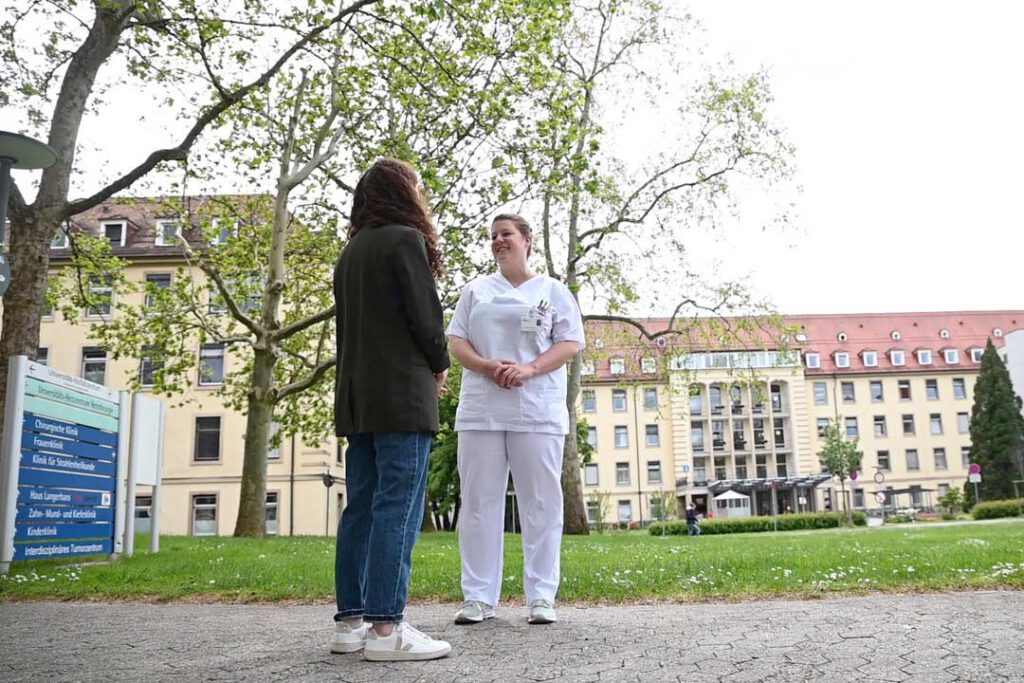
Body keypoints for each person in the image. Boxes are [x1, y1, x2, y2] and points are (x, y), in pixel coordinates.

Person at [330, 158, 452, 662]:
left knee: (360, 507)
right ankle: (387, 630)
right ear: (404, 192)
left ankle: (351, 624)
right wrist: (440, 365)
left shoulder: (349, 252)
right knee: (397, 507)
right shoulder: (406, 240)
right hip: (402, 395)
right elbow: (425, 317)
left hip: (358, 399)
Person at [447, 213, 585, 626]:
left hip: (536, 408)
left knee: (541, 503)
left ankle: (541, 597)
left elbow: (570, 342)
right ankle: (478, 597)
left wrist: (529, 370)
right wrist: (488, 366)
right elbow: (456, 341)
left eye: (506, 234)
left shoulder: (553, 291)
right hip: (481, 408)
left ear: (527, 240)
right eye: (493, 236)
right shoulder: (476, 291)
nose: (498, 241)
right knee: (477, 504)